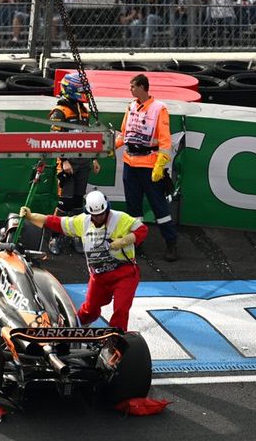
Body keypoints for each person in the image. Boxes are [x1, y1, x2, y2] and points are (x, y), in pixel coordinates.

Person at [19, 190, 146, 331]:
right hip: (99, 277)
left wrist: (124, 241)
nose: (99, 218)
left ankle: (116, 339)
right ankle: (75, 330)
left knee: (121, 310)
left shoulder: (121, 219)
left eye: (102, 214)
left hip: (124, 274)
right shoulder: (82, 222)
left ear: (107, 208)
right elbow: (55, 222)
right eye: (95, 216)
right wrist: (31, 216)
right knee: (89, 311)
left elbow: (142, 230)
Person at [116, 73, 177, 261]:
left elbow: (166, 141)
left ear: (142, 87)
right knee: (133, 209)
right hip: (130, 164)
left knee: (159, 207)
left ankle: (171, 244)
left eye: (133, 86)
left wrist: (160, 164)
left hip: (150, 166)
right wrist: (110, 147)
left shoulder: (160, 109)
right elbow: (124, 133)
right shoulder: (131, 106)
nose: (130, 89)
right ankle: (137, 244)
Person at [47, 73, 101, 255]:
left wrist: (93, 158)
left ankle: (77, 235)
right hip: (68, 163)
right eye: (80, 90)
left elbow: (87, 137)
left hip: (84, 161)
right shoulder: (59, 112)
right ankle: (55, 237)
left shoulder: (83, 110)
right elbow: (54, 139)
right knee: (64, 204)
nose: (83, 93)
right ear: (70, 89)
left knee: (79, 203)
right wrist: (64, 161)